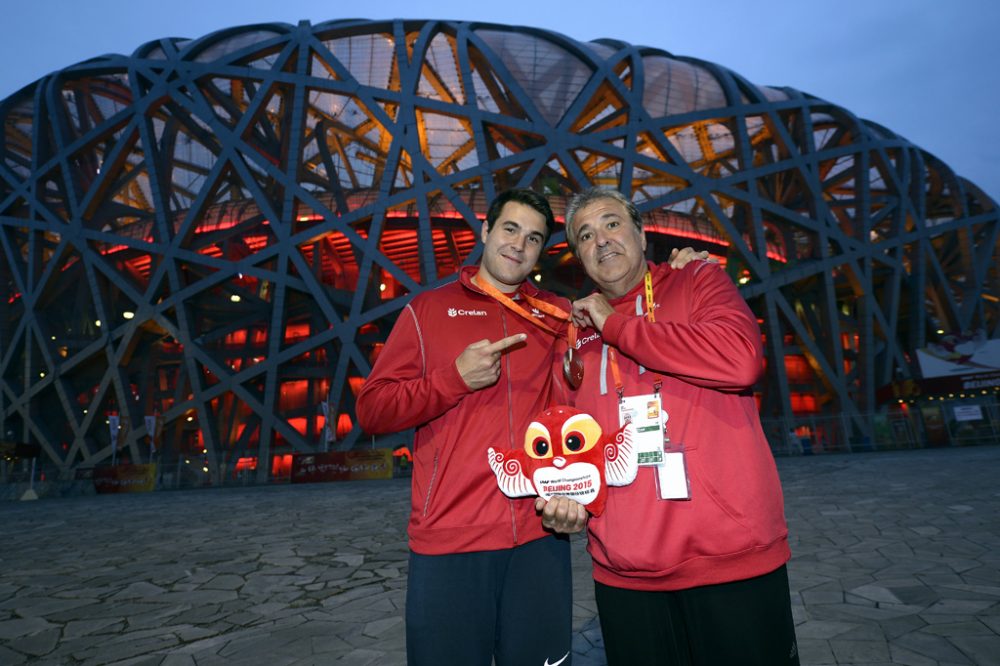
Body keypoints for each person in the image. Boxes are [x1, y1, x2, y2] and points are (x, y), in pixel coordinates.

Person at [550, 187, 799, 665]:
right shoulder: (576, 338)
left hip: (732, 561)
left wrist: (615, 326)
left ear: (643, 235)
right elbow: (568, 437)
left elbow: (741, 361)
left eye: (612, 223)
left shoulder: (698, 279)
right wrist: (566, 495)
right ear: (579, 257)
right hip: (626, 575)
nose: (601, 240)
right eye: (585, 234)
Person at [355, 188, 574, 666]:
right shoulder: (429, 309)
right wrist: (453, 379)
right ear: (486, 231)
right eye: (510, 229)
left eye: (534, 238)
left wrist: (681, 268)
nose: (519, 244)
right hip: (451, 540)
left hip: (540, 539)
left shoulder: (558, 316)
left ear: (541, 251)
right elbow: (372, 409)